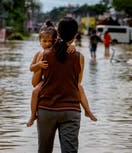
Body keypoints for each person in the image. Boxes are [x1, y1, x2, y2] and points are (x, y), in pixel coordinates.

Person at [33, 17, 96, 153]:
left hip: (46, 109)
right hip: (71, 110)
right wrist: (88, 110)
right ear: (74, 37)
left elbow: (34, 83)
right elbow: (77, 85)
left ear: (58, 33)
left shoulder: (44, 54)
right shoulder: (79, 57)